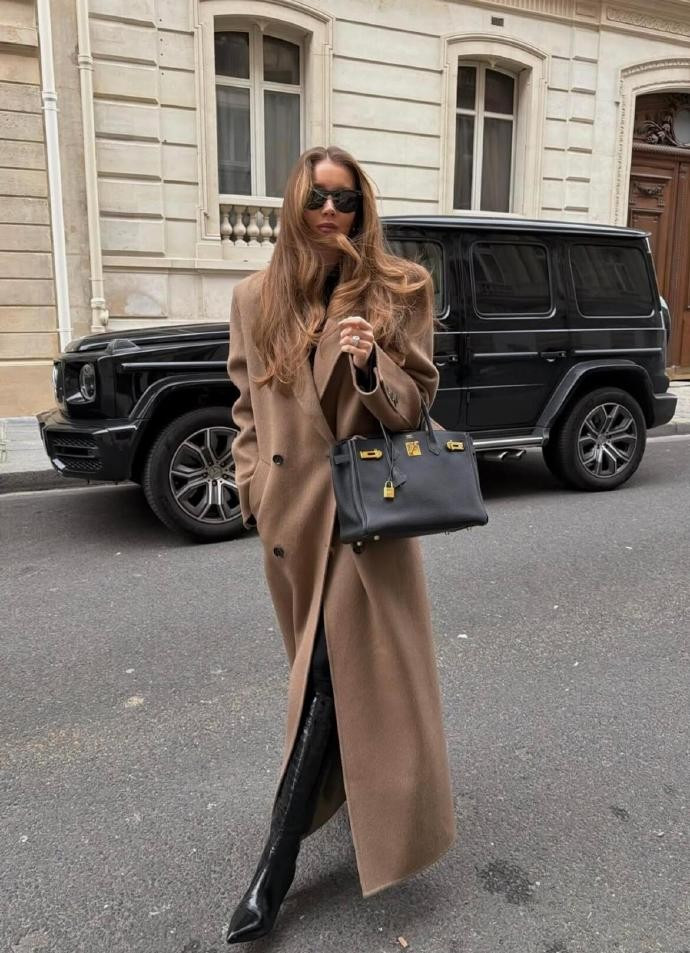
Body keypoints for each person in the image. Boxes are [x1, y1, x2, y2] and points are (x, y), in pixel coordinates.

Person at [224, 146, 456, 944]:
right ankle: (353, 782)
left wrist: (368, 365)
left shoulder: (400, 289)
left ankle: (275, 865)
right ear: (295, 201)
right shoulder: (256, 297)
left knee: (331, 671)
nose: (331, 210)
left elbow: (417, 403)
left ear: (363, 207)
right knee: (329, 674)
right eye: (318, 196)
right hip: (292, 522)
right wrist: (253, 489)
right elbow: (245, 407)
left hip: (363, 522)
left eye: (346, 198)